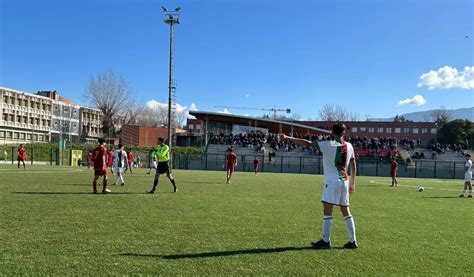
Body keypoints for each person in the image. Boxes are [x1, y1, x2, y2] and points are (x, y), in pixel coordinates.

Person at [283, 122, 358, 249]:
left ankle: (325, 241)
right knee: (346, 211)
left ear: (332, 132)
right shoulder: (349, 146)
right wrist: (353, 183)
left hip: (332, 182)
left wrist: (288, 138)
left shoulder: (328, 145)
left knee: (327, 212)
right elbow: (353, 165)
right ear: (344, 132)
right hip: (344, 182)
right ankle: (353, 241)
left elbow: (307, 143)